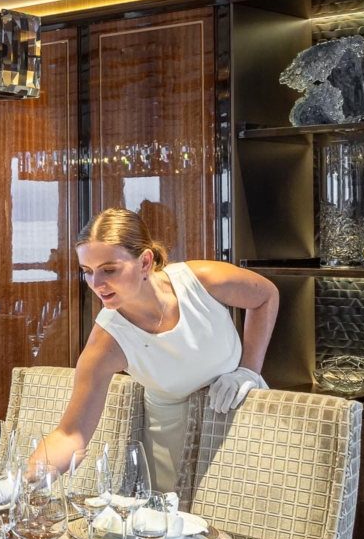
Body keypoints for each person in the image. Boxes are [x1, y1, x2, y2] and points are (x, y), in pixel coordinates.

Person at [29, 207, 279, 496]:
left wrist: (248, 370)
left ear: (145, 261)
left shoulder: (201, 281)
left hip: (242, 415)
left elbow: (266, 296)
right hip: (171, 445)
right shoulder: (107, 341)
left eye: (109, 269)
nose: (96, 284)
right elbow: (70, 435)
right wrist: (24, 479)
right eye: (88, 272)